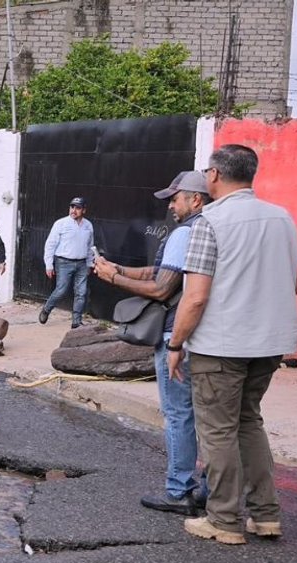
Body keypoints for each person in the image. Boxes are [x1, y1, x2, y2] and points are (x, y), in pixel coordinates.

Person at [167, 144, 297, 545]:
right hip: (270, 343)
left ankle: (223, 519)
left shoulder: (211, 221)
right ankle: (266, 515)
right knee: (249, 422)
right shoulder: (283, 219)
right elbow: (290, 282)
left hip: (222, 345)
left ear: (215, 176)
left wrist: (176, 343)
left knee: (218, 431)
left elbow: (195, 296)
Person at [94, 170, 211, 516]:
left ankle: (180, 490)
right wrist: (120, 268)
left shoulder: (186, 233)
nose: (171, 205)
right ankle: (209, 487)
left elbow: (162, 288)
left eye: (175, 198)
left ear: (196, 199)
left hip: (176, 333)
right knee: (209, 417)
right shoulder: (208, 231)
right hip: (206, 337)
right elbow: (159, 271)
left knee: (178, 413)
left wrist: (113, 278)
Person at [40, 197, 96, 328]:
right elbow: (50, 245)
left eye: (77, 208)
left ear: (84, 210)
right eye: (72, 207)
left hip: (82, 263)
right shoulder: (61, 224)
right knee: (61, 290)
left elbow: (90, 246)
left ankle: (76, 322)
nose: (74, 210)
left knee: (81, 292)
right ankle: (47, 309)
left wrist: (89, 263)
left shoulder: (88, 225)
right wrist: (48, 264)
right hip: (64, 262)